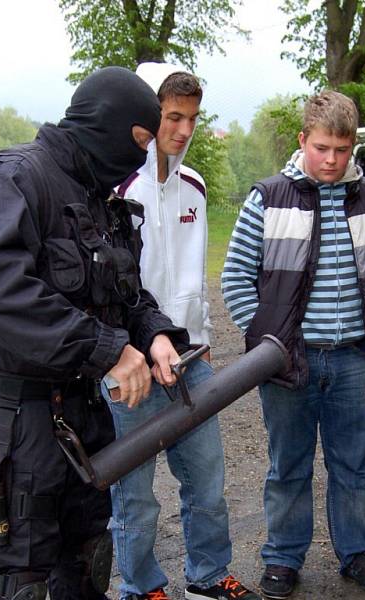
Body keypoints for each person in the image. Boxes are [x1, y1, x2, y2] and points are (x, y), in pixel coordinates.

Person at [0, 66, 190, 600]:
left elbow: (127, 296)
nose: (142, 157)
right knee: (21, 575)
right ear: (104, 125)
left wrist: (156, 335)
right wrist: (105, 349)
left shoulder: (100, 198)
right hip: (13, 418)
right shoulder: (14, 179)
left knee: (86, 557)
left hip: (81, 414)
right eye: (139, 141)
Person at [221, 90, 365, 599]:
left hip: (353, 359)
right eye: (321, 147)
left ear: (352, 148)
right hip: (287, 362)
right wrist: (268, 346)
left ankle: (359, 553)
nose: (330, 160)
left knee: (353, 464)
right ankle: (283, 558)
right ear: (303, 139)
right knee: (289, 467)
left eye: (341, 150)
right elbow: (236, 279)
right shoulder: (267, 196)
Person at [105, 63, 258, 600]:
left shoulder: (194, 187)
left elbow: (194, 275)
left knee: (207, 483)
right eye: (173, 116)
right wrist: (118, 354)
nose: (184, 130)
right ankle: (141, 586)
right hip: (132, 366)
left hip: (193, 359)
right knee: (136, 495)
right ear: (150, 113)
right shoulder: (118, 186)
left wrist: (204, 331)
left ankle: (209, 576)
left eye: (192, 118)